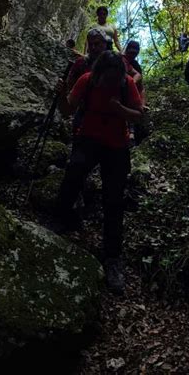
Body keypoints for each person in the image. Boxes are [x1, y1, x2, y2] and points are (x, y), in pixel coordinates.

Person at [57, 51, 144, 295]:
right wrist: (61, 95)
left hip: (117, 146)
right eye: (109, 79)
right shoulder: (86, 80)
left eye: (117, 78)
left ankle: (113, 257)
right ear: (99, 74)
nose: (113, 83)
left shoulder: (127, 84)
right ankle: (62, 220)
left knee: (114, 200)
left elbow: (139, 116)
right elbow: (66, 111)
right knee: (72, 177)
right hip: (88, 138)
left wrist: (119, 109)